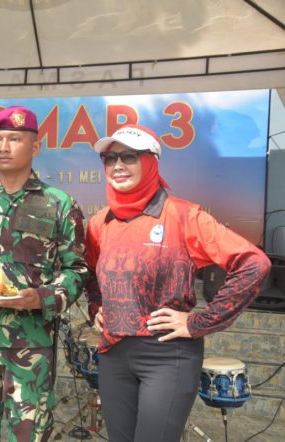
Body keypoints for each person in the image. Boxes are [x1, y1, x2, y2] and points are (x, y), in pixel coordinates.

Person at [85, 124, 271, 442]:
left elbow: (255, 264)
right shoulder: (100, 222)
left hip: (166, 356)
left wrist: (201, 322)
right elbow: (88, 271)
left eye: (128, 156)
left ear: (151, 161)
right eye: (109, 158)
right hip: (113, 355)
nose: (117, 165)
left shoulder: (185, 216)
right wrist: (96, 306)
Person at [0, 106, 90, 441]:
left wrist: (40, 298)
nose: (4, 147)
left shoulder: (59, 204)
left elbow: (76, 269)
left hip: (32, 347)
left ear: (35, 147)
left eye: (14, 139)